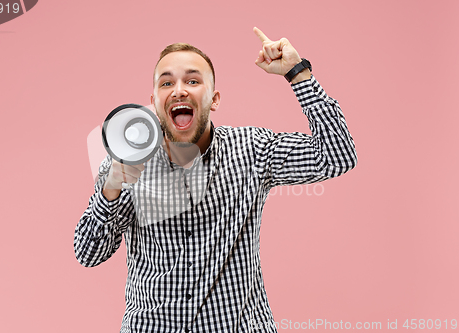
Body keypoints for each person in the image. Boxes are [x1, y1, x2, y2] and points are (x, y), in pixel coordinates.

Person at [74, 27, 357, 333]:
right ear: (154, 102)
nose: (179, 90)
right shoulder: (124, 162)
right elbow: (89, 253)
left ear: (214, 99)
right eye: (167, 82)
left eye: (193, 81)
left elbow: (337, 156)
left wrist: (297, 74)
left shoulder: (251, 150)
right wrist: (111, 187)